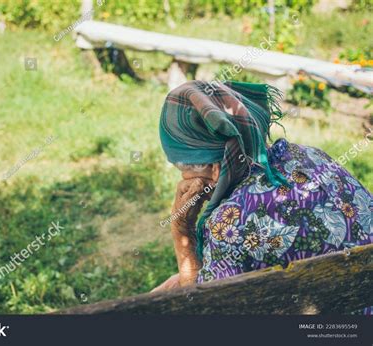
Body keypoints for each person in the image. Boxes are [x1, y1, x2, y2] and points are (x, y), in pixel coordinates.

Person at [153, 80, 372, 313]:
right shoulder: (310, 156)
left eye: (181, 168)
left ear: (214, 170)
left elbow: (205, 314)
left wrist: (182, 230)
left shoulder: (229, 223)